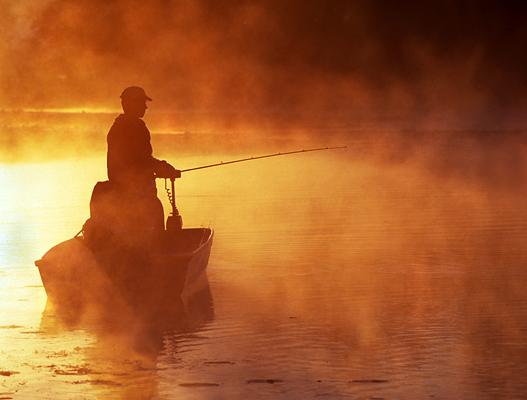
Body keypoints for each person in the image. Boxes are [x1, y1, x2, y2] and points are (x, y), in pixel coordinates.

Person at [88, 86, 179, 252]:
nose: (146, 107)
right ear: (132, 104)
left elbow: (136, 160)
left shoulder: (116, 127)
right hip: (137, 194)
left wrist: (158, 167)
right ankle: (156, 256)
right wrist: (164, 168)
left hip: (118, 187)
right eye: (143, 103)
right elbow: (144, 160)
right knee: (156, 208)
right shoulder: (137, 127)